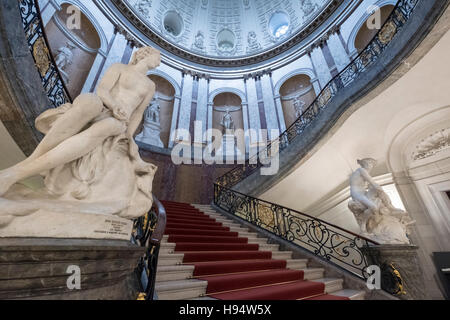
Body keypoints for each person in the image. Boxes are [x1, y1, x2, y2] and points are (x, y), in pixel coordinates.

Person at [0, 46, 161, 196]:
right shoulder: (120, 68)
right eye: (158, 56)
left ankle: (17, 173)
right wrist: (114, 105)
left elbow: (138, 113)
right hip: (104, 105)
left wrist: (130, 135)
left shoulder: (150, 85)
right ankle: (32, 160)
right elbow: (102, 90)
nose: (159, 61)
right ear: (146, 54)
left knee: (109, 126)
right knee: (90, 101)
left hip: (118, 122)